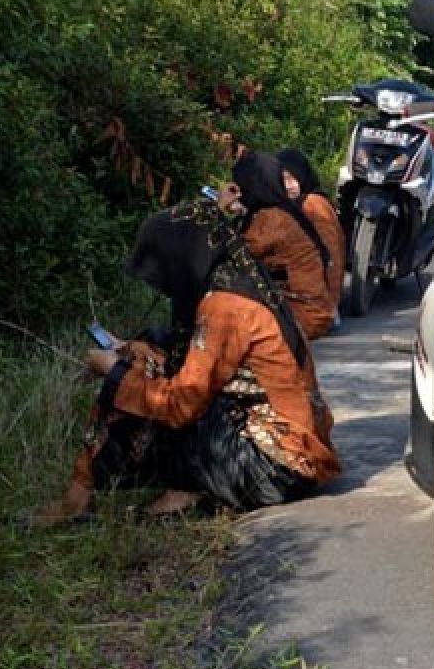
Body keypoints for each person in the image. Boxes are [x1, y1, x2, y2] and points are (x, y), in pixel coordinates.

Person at [31, 200, 340, 524]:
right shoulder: (241, 283)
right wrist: (130, 352)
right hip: (294, 456)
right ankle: (100, 492)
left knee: (138, 377)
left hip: (278, 469)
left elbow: (181, 404)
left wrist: (113, 372)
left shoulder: (226, 308)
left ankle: (91, 497)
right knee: (145, 355)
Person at [221, 151, 336, 339]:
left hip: (304, 316)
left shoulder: (272, 218)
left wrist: (219, 209)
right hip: (310, 311)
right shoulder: (280, 210)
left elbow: (232, 250)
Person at [276, 148, 346, 315]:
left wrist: (329, 305)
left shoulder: (314, 205)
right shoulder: (290, 207)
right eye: (283, 179)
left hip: (317, 303)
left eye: (293, 178)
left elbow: (332, 258)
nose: (288, 186)